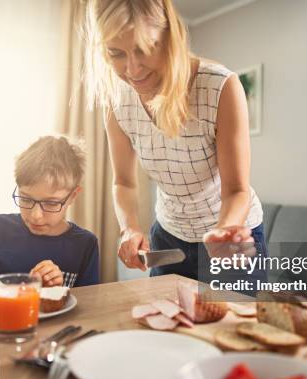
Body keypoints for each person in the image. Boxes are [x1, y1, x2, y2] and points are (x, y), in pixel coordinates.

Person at [84, 0, 267, 281]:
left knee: (232, 325)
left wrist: (225, 231)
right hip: (169, 238)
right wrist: (129, 228)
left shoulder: (220, 87)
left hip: (229, 234)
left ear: (170, 38)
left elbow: (236, 190)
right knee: (163, 324)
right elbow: (123, 182)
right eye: (115, 53)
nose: (132, 70)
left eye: (144, 50)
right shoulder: (117, 99)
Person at [0, 135, 100, 303]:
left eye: (51, 203)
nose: (35, 215)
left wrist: (56, 295)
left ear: (73, 196)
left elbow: (87, 310)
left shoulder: (84, 245)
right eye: (25, 199)